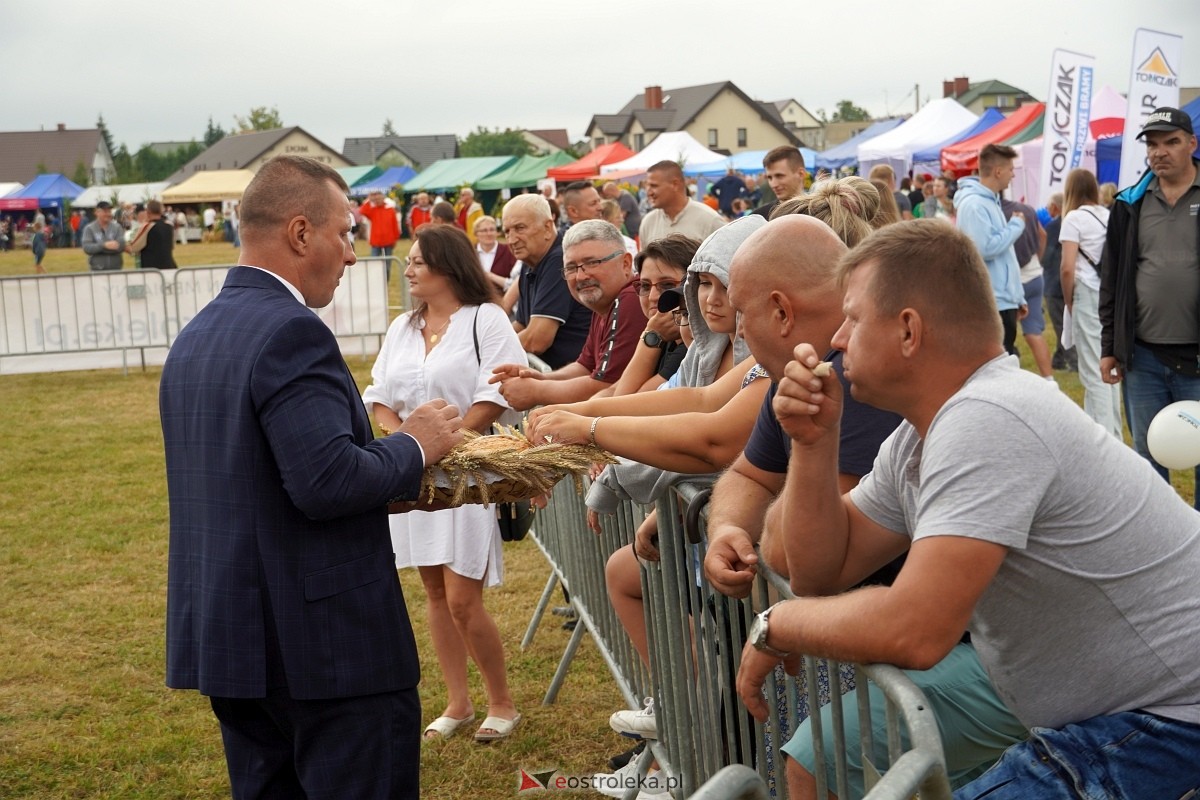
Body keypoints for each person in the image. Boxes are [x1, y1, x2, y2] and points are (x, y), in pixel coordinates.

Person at [736, 219, 1200, 799]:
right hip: (1134, 719)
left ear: (908, 331)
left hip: (1172, 725)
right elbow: (819, 569)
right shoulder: (925, 432)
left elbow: (916, 630)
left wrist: (776, 625)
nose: (837, 338)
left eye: (854, 318)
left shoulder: (989, 417)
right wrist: (811, 443)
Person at [159, 155, 465, 800]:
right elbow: (326, 481)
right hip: (324, 653)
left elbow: (267, 477)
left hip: (235, 639)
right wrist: (415, 445)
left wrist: (390, 472)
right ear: (301, 234)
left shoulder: (198, 334)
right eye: (345, 233)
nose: (353, 255)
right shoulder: (290, 331)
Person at [363, 224, 525, 744]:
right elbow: (379, 392)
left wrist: (451, 441)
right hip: (412, 474)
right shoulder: (402, 328)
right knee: (433, 591)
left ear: (446, 266)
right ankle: (458, 702)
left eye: (416, 261)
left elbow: (499, 388)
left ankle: (502, 703)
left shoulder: (487, 318)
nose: (407, 269)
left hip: (466, 475)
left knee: (462, 598)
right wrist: (407, 442)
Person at [1101, 106, 1200, 500]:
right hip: (1143, 357)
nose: (1160, 152)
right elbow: (1112, 280)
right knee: (1147, 457)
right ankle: (1161, 549)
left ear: (1191, 144)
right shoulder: (1128, 204)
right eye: (1153, 144)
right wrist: (1111, 347)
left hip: (1197, 358)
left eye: (1171, 142)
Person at [490, 220, 648, 410]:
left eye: (592, 263)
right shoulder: (604, 303)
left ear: (625, 264)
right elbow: (584, 367)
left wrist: (537, 391)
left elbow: (606, 386)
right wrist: (539, 377)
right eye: (571, 268)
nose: (581, 276)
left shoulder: (631, 300)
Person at [1058, 170, 1121, 438]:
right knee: (1111, 369)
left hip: (1086, 291)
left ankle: (1106, 441)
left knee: (1093, 370)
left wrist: (1069, 301)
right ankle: (1110, 432)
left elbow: (1067, 268)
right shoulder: (1108, 214)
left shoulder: (1073, 218)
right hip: (1110, 294)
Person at [501, 194, 591, 369]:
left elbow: (537, 340)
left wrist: (490, 353)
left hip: (572, 378)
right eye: (506, 231)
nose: (511, 240)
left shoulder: (561, 259)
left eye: (520, 228)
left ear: (548, 227)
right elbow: (520, 324)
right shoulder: (532, 260)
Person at [954, 144, 1026, 355]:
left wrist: (1017, 296)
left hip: (1002, 300)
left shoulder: (989, 202)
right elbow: (985, 248)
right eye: (1011, 169)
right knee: (997, 364)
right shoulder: (975, 205)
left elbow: (1005, 256)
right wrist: (1016, 226)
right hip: (992, 301)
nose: (1012, 175)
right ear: (998, 171)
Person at [1002, 196, 1054, 381]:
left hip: (1010, 282)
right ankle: (1049, 379)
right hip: (1034, 275)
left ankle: (1006, 379)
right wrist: (1037, 259)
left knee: (1003, 335)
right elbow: (1043, 235)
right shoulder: (1028, 209)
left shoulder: (995, 213)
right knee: (1034, 332)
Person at [638, 161, 726, 245]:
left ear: (675, 184)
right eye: (647, 186)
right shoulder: (648, 222)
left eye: (654, 186)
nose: (648, 192)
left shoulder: (711, 221)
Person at [1041, 192, 1078, 371]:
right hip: (1070, 280)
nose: (1047, 210)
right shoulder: (1074, 222)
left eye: (1049, 206)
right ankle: (1058, 359)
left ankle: (1073, 361)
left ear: (1055, 207)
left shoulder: (1055, 226)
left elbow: (1046, 256)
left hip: (1055, 282)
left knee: (1061, 325)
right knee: (1065, 323)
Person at [754, 146, 808, 218]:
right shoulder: (760, 217)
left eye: (779, 176)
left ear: (801, 174)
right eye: (769, 178)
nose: (774, 184)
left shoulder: (820, 213)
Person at [472, 215, 516, 291]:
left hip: (502, 298)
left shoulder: (509, 251)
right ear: (476, 234)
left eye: (492, 230)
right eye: (484, 230)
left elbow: (516, 283)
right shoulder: (470, 252)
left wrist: (490, 276)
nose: (489, 234)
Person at [133, 200, 178, 270]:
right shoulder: (169, 226)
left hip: (152, 268)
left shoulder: (147, 226)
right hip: (169, 266)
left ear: (148, 212)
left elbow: (134, 247)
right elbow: (172, 246)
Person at [80, 200, 124, 271]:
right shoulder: (89, 228)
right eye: (105, 211)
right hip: (97, 270)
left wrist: (98, 249)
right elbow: (87, 248)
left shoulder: (117, 227)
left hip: (116, 270)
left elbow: (121, 245)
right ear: (97, 212)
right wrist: (104, 245)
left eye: (109, 211)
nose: (108, 214)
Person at [358, 190, 402, 258]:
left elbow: (394, 225)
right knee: (374, 262)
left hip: (388, 240)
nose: (377, 201)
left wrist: (395, 238)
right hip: (376, 241)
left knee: (387, 263)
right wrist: (369, 199)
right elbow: (362, 210)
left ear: (383, 198)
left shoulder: (390, 210)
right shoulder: (372, 210)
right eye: (376, 199)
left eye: (379, 198)